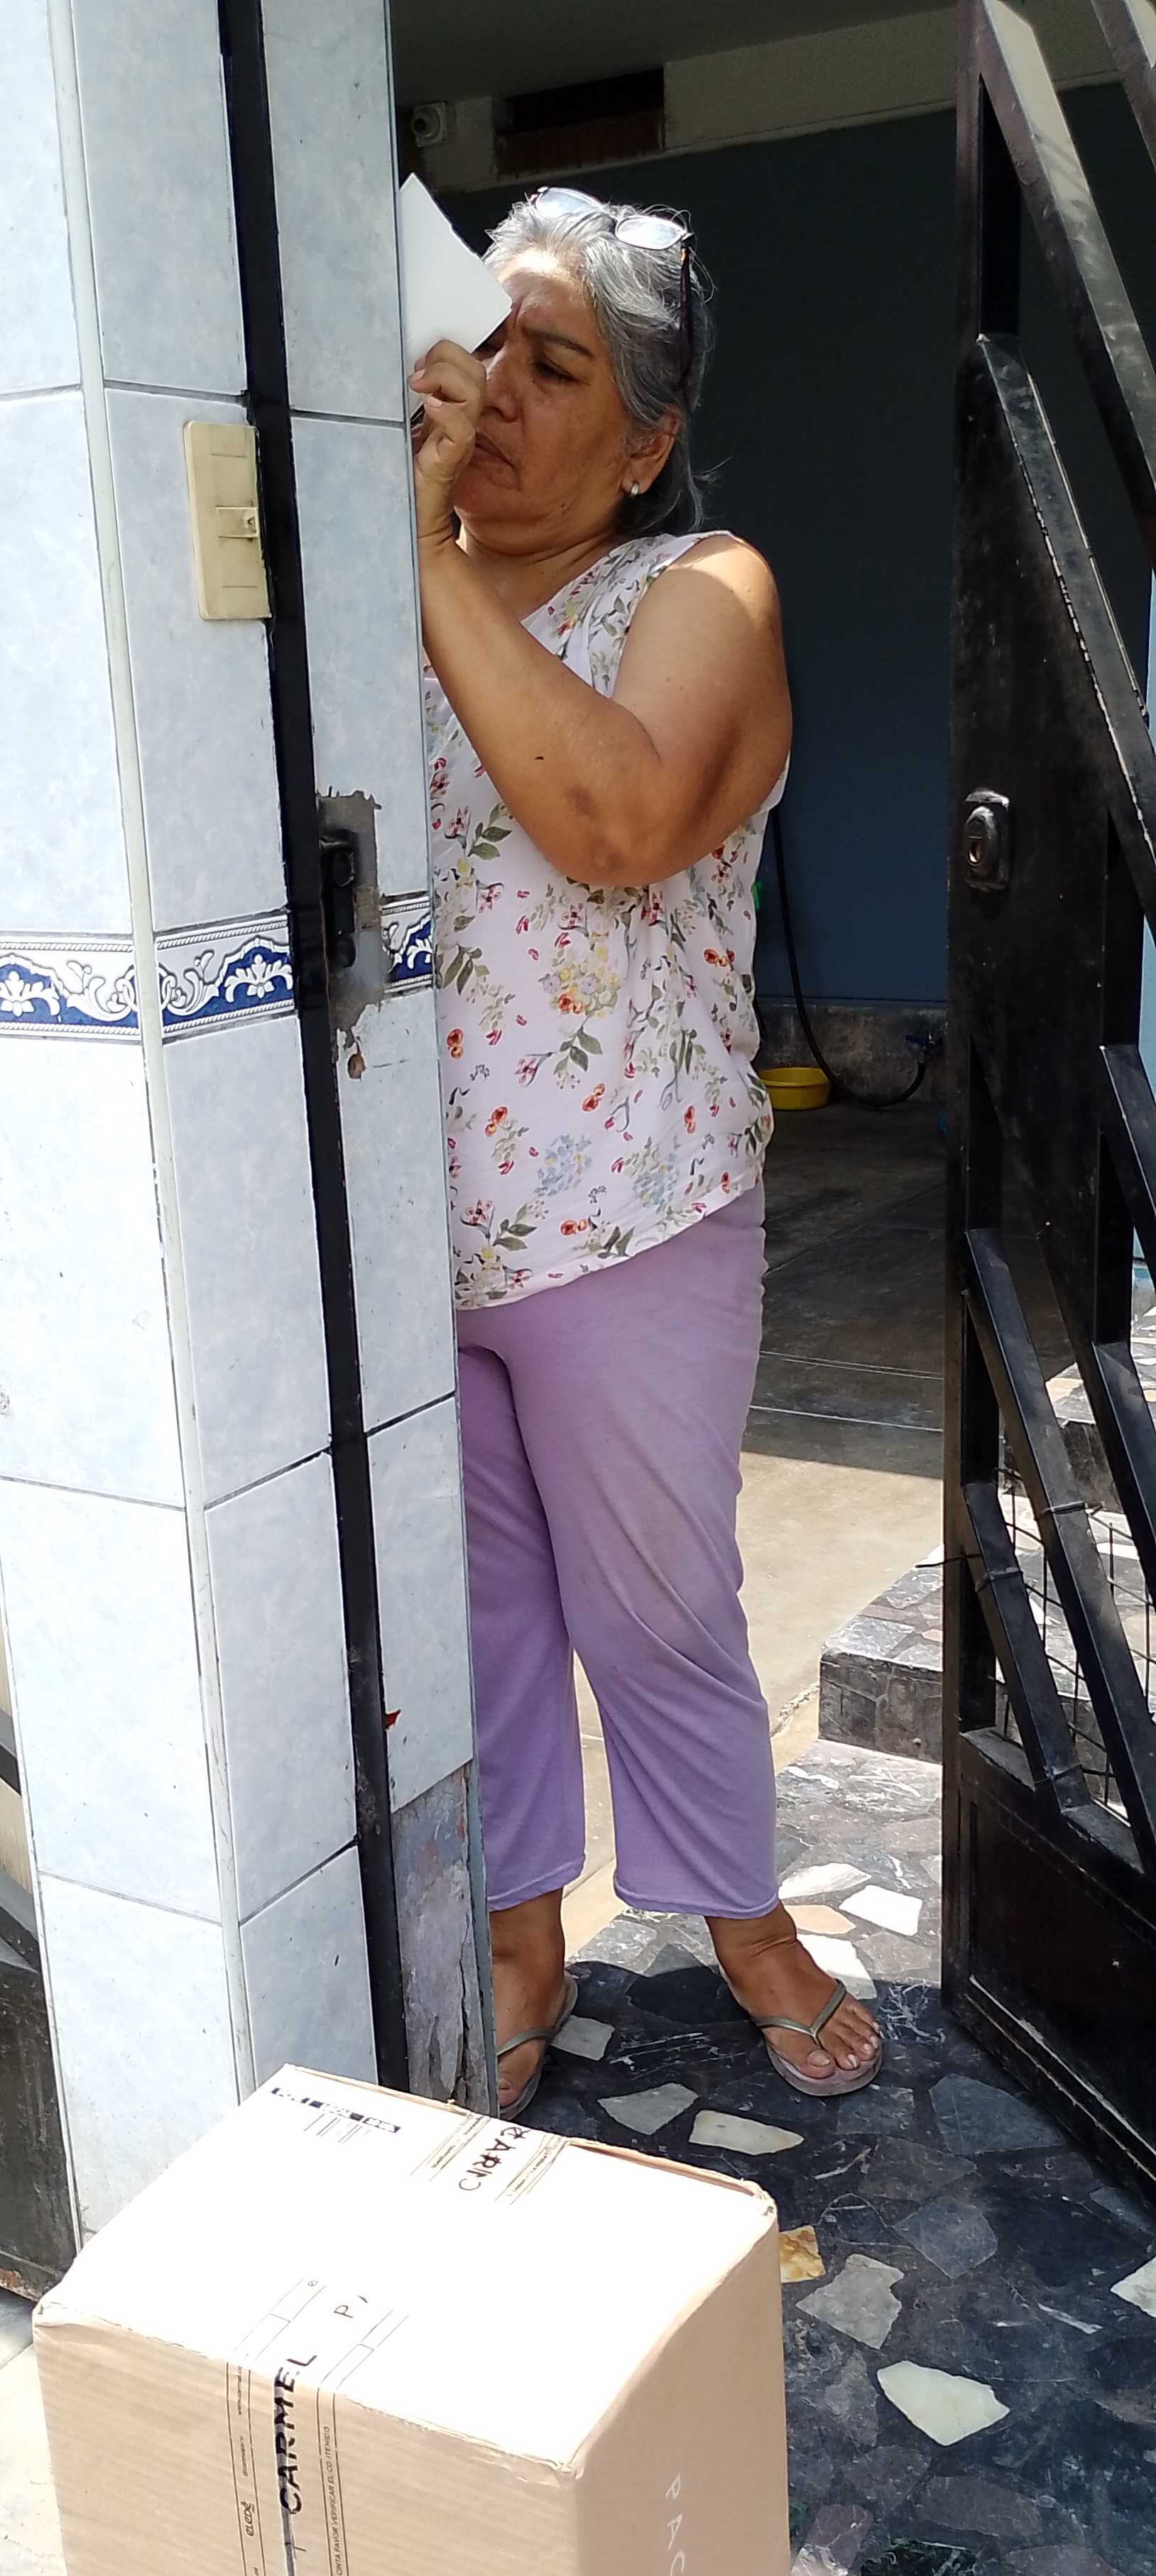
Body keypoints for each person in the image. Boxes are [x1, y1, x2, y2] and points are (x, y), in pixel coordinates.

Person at [413, 187, 882, 2117]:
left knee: (659, 1604)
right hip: (405, 1227)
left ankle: (735, 1914)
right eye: (481, 354)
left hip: (628, 1206)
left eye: (553, 367)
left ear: (644, 442)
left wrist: (416, 561)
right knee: (479, 1613)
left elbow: (615, 822)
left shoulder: (701, 591)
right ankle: (519, 1931)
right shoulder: (378, 593)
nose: (494, 399)